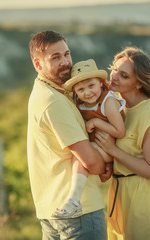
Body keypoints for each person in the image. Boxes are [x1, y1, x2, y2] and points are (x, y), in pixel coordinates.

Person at [27, 30, 110, 240]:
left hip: (52, 210)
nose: (65, 62)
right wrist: (106, 162)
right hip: (79, 212)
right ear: (38, 64)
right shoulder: (52, 101)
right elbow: (92, 162)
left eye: (66, 54)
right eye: (55, 57)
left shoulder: (52, 93)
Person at [95, 46, 150, 239]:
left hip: (146, 200)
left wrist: (113, 151)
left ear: (139, 83)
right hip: (120, 196)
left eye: (123, 75)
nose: (114, 76)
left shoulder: (147, 112)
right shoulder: (117, 107)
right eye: (114, 69)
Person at [51, 59, 126, 219]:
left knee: (80, 158)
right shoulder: (81, 104)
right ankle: (73, 198)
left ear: (100, 83)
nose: (87, 92)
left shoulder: (109, 101)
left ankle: (74, 200)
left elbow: (120, 131)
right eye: (81, 89)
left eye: (91, 86)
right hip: (98, 144)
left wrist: (96, 122)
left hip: (112, 146)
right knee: (79, 156)